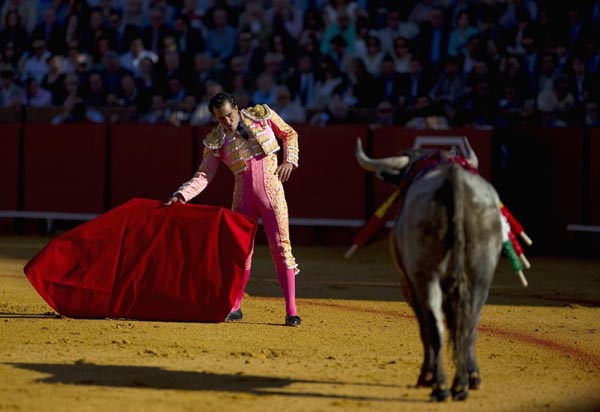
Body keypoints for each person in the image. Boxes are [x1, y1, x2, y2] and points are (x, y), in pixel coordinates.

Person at [164, 92, 301, 327]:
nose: (227, 121)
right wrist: (182, 194)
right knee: (240, 253)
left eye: (228, 115)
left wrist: (290, 160)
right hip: (243, 198)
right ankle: (235, 306)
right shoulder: (216, 140)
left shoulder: (262, 115)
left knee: (281, 248)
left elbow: (289, 133)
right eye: (220, 118)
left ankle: (291, 311)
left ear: (236, 108)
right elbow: (204, 175)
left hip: (273, 193)